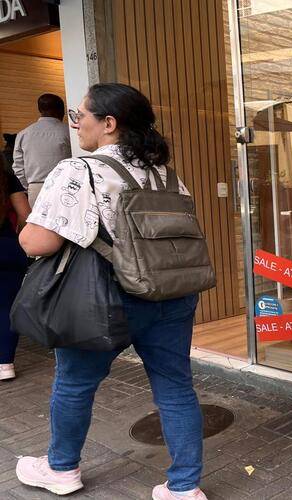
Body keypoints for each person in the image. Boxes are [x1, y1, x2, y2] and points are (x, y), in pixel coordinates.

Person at [15, 83, 207, 499]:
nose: (76, 123)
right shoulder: (165, 174)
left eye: (79, 115)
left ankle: (61, 468)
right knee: (175, 387)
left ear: (108, 123)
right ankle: (185, 488)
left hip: (106, 299)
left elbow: (38, 243)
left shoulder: (78, 170)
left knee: (75, 383)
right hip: (171, 294)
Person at [12, 93, 71, 206]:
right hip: (65, 185)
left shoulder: (23, 134)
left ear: (40, 109)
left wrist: (29, 186)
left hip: (35, 188)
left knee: (38, 223)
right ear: (61, 110)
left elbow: (18, 167)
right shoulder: (68, 132)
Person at [0, 163, 30, 381]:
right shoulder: (6, 175)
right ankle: (5, 363)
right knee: (5, 307)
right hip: (7, 247)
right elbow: (24, 214)